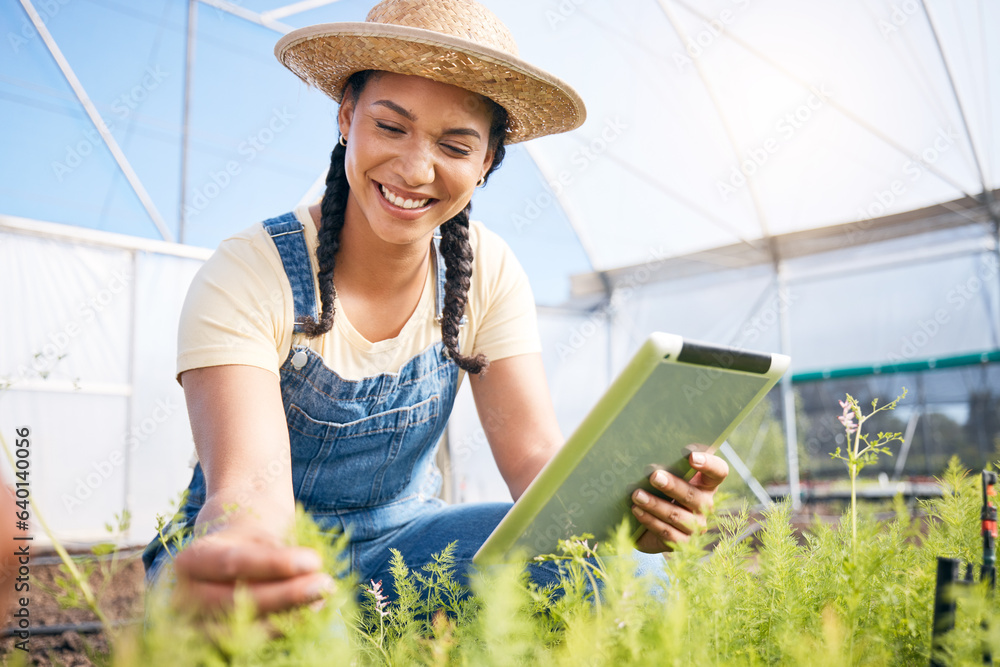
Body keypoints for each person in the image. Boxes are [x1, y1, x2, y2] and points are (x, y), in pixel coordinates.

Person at [141, 0, 730, 618]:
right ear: (347, 117)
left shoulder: (487, 272)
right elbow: (248, 497)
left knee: (618, 570)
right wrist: (268, 580)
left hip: (405, 549)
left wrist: (622, 515)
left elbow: (534, 458)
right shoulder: (251, 271)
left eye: (455, 145)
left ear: (487, 163)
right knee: (259, 623)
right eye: (391, 127)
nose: (416, 169)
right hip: (252, 549)